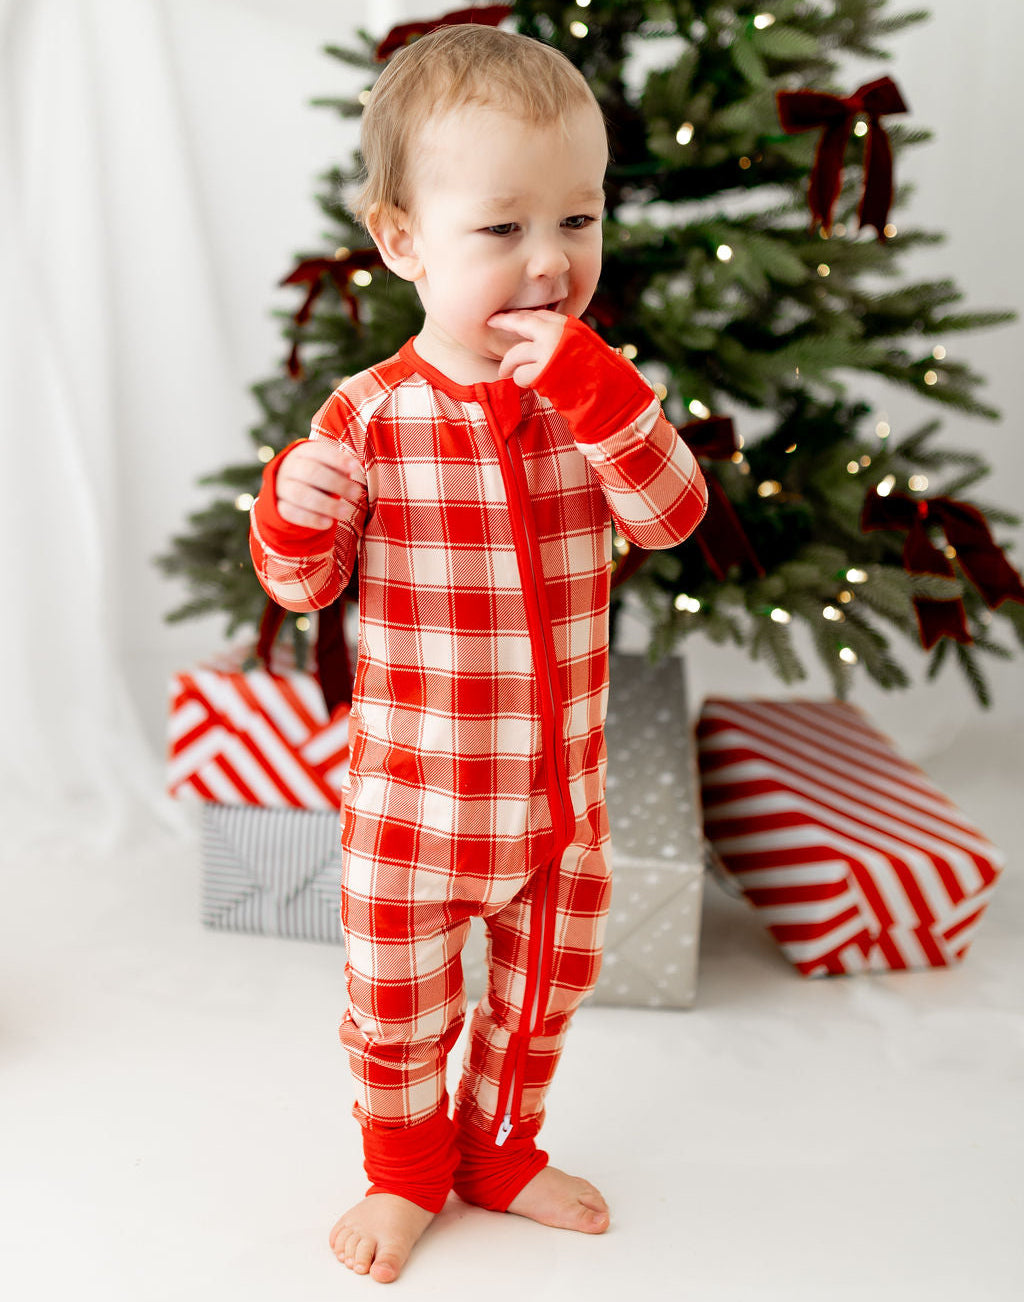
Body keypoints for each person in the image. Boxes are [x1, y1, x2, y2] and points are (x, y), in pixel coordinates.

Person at [249, 22, 707, 1285]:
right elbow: (301, 584)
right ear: (403, 240)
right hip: (415, 805)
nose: (549, 261)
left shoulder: (598, 396)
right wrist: (293, 505)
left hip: (558, 805)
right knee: (399, 1003)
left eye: (578, 219)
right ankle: (404, 1170)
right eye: (502, 228)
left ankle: (500, 1151)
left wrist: (601, 396)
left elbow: (670, 516)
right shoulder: (369, 415)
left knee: (540, 995)